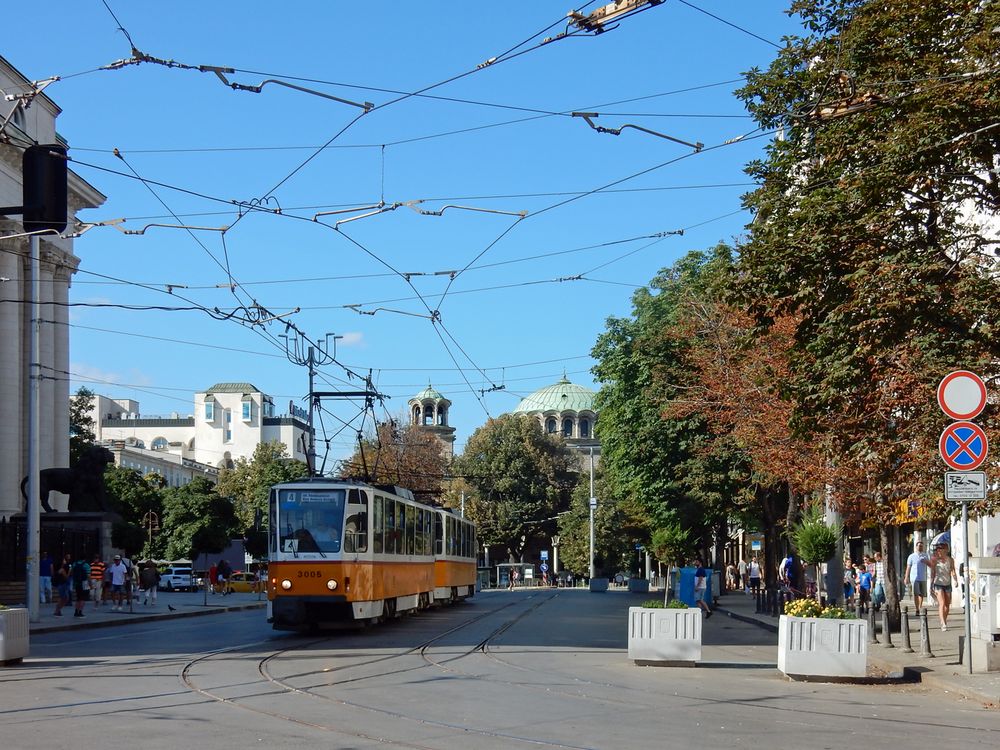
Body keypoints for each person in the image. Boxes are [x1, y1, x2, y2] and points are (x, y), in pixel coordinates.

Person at [931, 544, 959, 631]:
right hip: (938, 584)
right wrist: (931, 585)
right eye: (937, 550)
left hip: (947, 583)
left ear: (946, 550)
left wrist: (955, 580)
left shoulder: (950, 560)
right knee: (942, 603)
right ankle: (943, 623)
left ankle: (944, 620)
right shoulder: (935, 560)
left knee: (947, 605)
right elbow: (933, 573)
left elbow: (953, 570)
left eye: (940, 549)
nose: (938, 551)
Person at [904, 541, 931, 613]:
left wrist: (926, 562)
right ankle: (917, 609)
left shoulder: (925, 555)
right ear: (916, 547)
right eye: (919, 546)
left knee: (921, 594)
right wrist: (906, 577)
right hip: (914, 577)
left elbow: (930, 565)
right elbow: (908, 567)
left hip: (923, 577)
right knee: (916, 594)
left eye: (921, 546)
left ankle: (920, 606)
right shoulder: (911, 556)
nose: (920, 547)